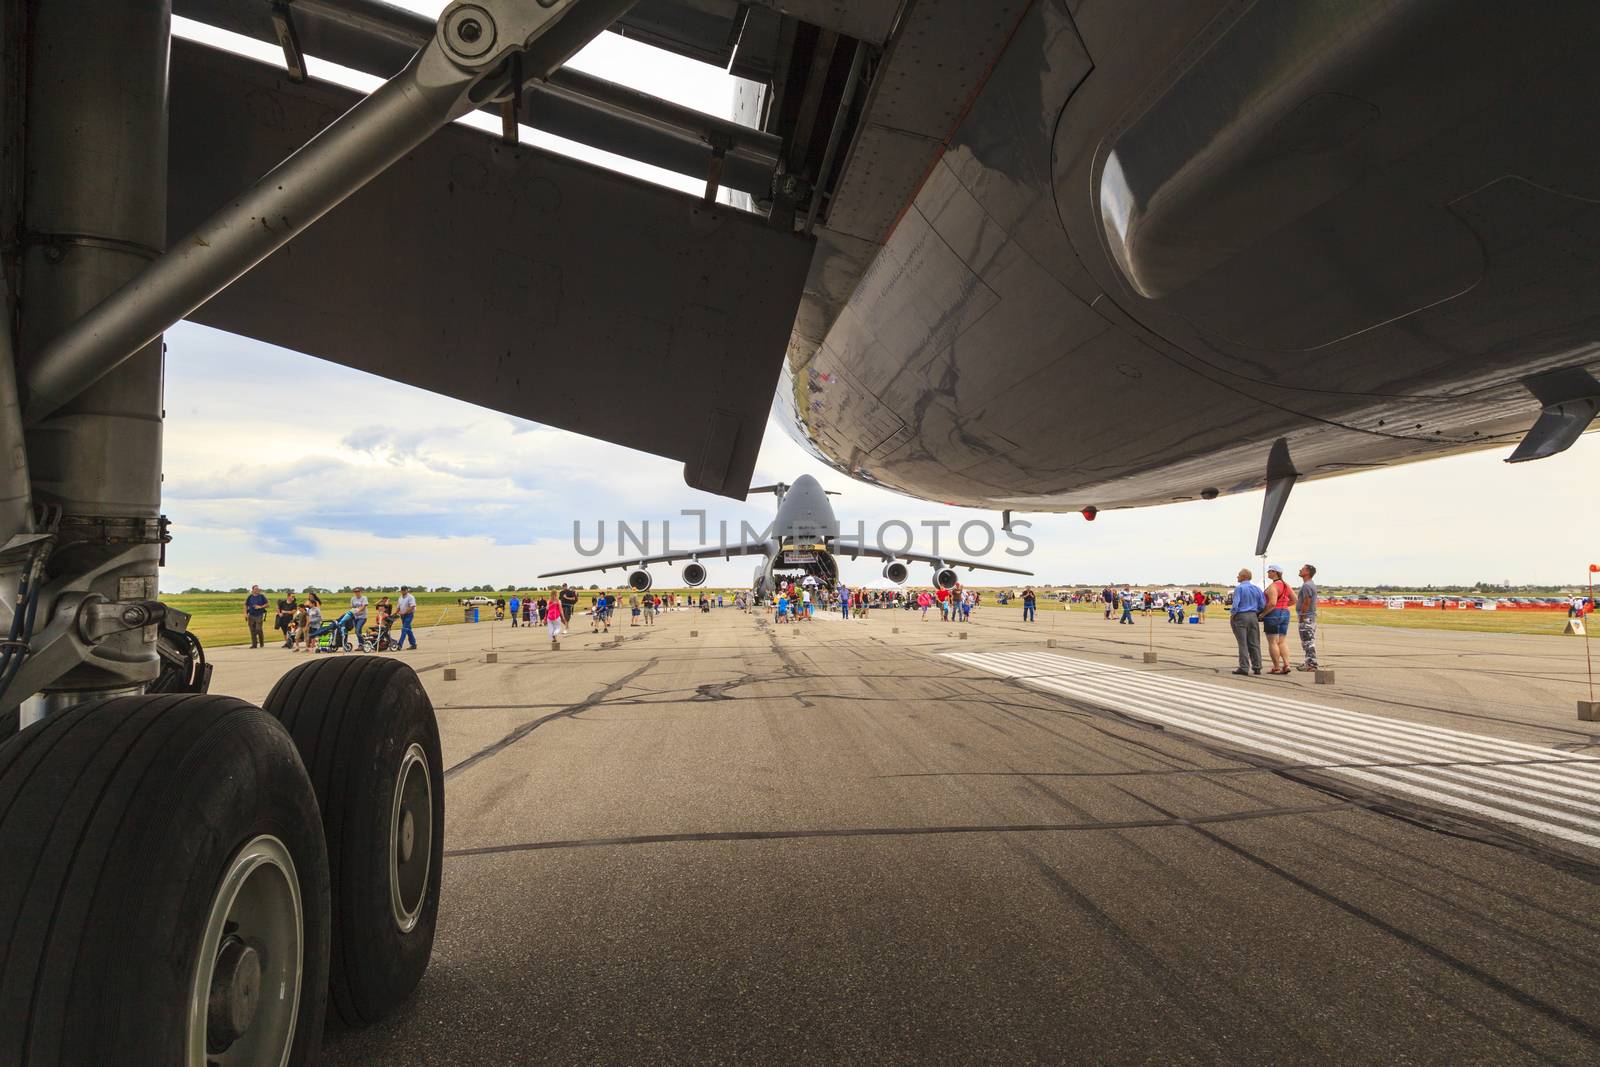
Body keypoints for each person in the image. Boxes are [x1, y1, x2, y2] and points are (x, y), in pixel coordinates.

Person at [1229, 568, 1266, 675]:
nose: (1237, 577)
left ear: (1244, 577)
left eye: (1239, 575)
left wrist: (1233, 615)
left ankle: (1244, 667)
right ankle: (1257, 666)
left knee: (1243, 643)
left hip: (1241, 616)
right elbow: (1262, 605)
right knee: (1254, 642)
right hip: (1253, 616)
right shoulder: (1256, 589)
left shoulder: (1239, 588)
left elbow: (1235, 604)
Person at [1262, 564, 1294, 674]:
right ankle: (1287, 664)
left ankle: (1276, 667)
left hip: (1273, 614)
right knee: (1282, 641)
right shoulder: (1286, 585)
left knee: (1273, 642)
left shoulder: (1273, 586)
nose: (1268, 573)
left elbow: (1272, 604)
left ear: (1275, 572)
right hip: (1285, 613)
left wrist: (1262, 614)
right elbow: (1295, 599)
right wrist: (1284, 605)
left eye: (1270, 571)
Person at [1295, 564, 1320, 672]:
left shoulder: (1307, 585)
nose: (1300, 570)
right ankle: (1308, 661)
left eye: (1303, 569)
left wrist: (1302, 616)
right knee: (1306, 641)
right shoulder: (1309, 584)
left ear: (1308, 572)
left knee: (1308, 642)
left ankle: (1311, 664)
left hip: (1307, 618)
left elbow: (1307, 601)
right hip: (1310, 617)